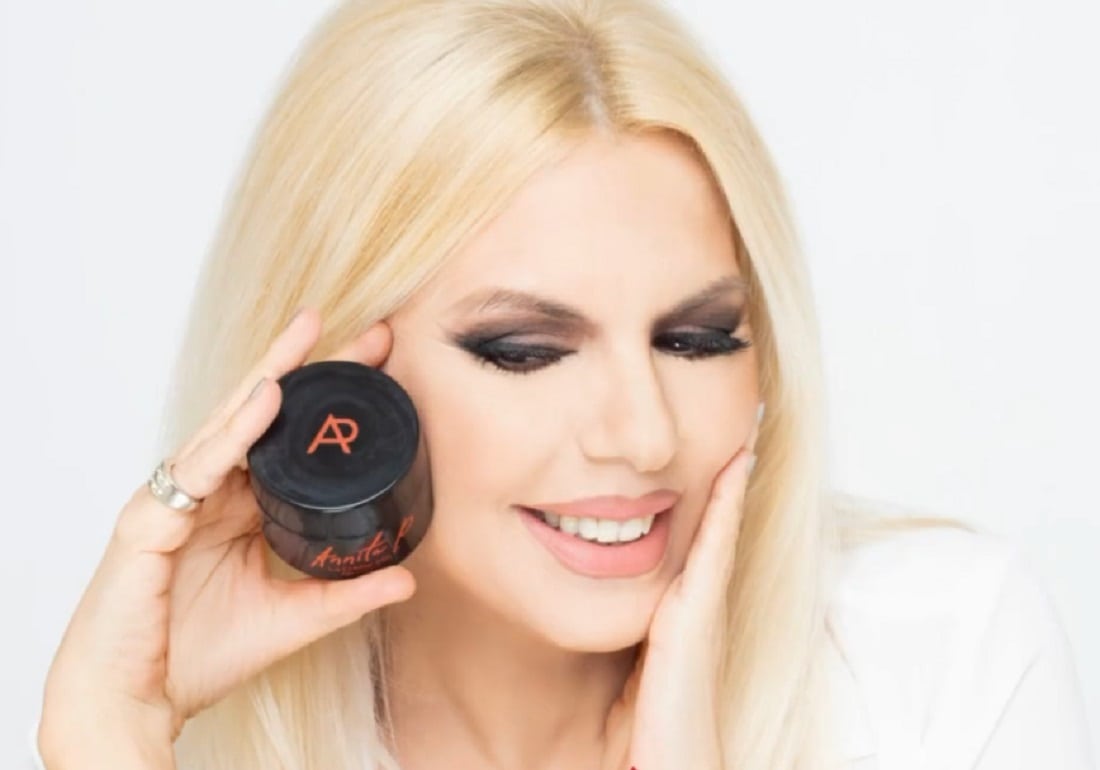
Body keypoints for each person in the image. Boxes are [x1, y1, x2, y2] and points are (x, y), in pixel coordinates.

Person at [31, 0, 1094, 768]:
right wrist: (113, 738)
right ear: (334, 393)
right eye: (525, 350)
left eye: (696, 338)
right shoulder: (202, 743)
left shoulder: (942, 657)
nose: (642, 433)